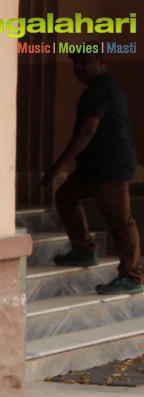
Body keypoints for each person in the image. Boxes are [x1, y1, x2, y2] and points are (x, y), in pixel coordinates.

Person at [43, 50, 141, 295]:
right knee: (66, 196)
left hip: (110, 168)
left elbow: (87, 131)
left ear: (101, 63)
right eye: (76, 63)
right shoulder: (98, 89)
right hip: (93, 168)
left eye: (85, 62)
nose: (78, 67)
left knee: (121, 221)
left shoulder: (100, 89)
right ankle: (84, 250)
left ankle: (132, 275)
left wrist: (59, 166)